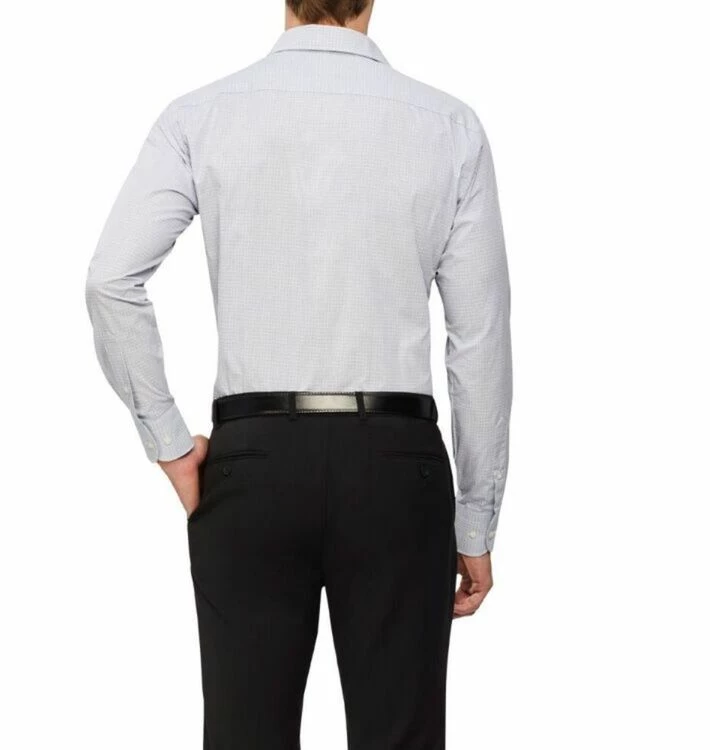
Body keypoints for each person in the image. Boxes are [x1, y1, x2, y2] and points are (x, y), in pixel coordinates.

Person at [85, 1, 513, 747]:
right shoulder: (449, 127)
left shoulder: (201, 116)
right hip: (396, 467)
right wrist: (475, 519)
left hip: (253, 464)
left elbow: (110, 281)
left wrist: (171, 444)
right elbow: (478, 339)